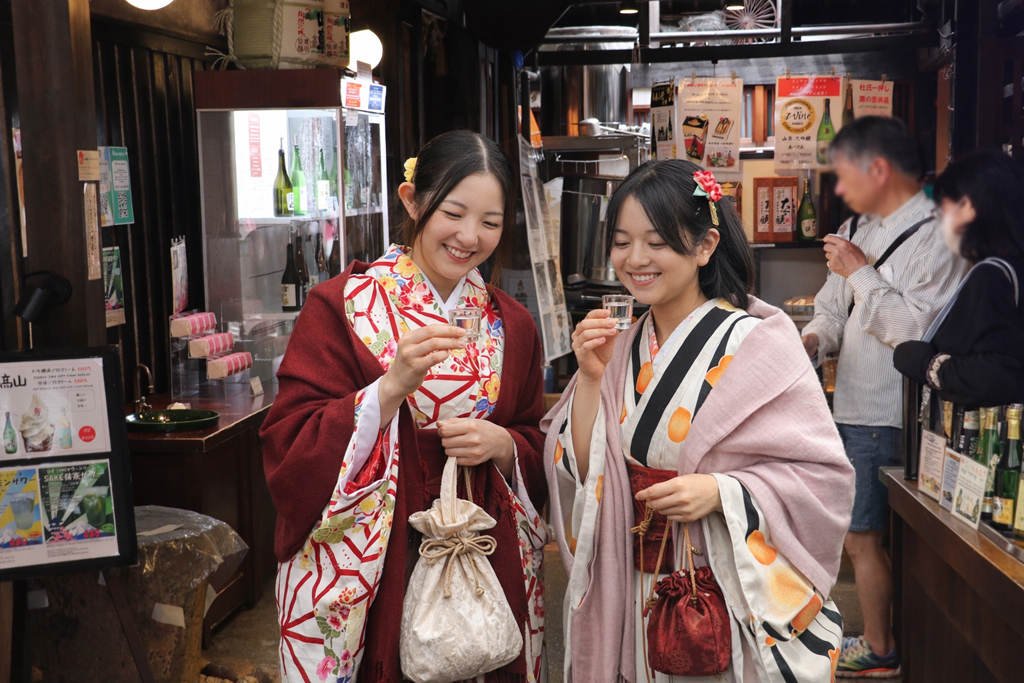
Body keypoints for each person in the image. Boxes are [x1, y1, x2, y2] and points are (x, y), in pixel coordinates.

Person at [543, 159, 854, 682]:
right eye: (621, 242)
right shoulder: (618, 346)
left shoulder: (759, 344)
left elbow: (824, 477)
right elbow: (584, 463)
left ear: (705, 245)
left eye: (657, 242)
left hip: (719, 584)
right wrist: (591, 378)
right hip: (635, 578)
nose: (635, 259)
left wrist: (722, 491)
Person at [261, 130, 549, 683]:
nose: (469, 237)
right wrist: (387, 390)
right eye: (453, 212)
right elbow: (289, 443)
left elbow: (532, 435)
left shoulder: (510, 322)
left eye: (490, 223)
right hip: (382, 553)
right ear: (412, 200)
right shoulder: (338, 308)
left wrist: (504, 445)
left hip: (478, 540)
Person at [800, 116, 968, 678]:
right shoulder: (856, 224)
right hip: (852, 406)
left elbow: (916, 334)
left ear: (878, 169)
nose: (840, 190)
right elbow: (831, 309)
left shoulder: (941, 234)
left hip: (896, 412)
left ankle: (881, 648)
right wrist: (812, 342)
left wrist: (862, 274)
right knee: (863, 537)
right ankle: (886, 638)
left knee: (871, 539)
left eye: (845, 175)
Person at [894, 150, 1024, 408]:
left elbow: (995, 375)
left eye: (945, 207)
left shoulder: (992, 275)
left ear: (969, 206)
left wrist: (925, 364)